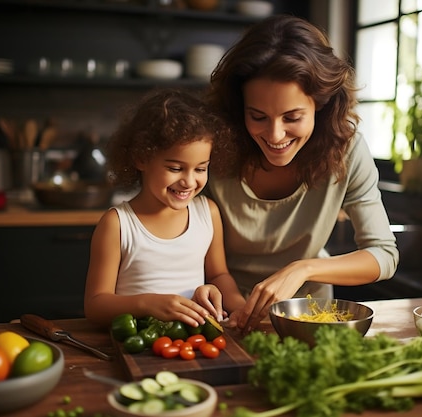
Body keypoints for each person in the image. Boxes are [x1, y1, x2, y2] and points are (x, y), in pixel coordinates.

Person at [204, 15, 399, 332]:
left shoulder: (346, 150)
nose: (275, 134)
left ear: (320, 106)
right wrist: (241, 312)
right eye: (258, 116)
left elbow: (384, 255)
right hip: (222, 314)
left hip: (308, 318)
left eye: (292, 117)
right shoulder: (211, 147)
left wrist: (303, 270)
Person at [84, 89, 245, 328]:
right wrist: (148, 304)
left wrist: (241, 308)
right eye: (176, 168)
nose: (189, 182)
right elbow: (95, 306)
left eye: (200, 169)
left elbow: (219, 275)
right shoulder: (118, 224)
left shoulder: (208, 213)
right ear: (141, 159)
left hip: (191, 341)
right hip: (138, 343)